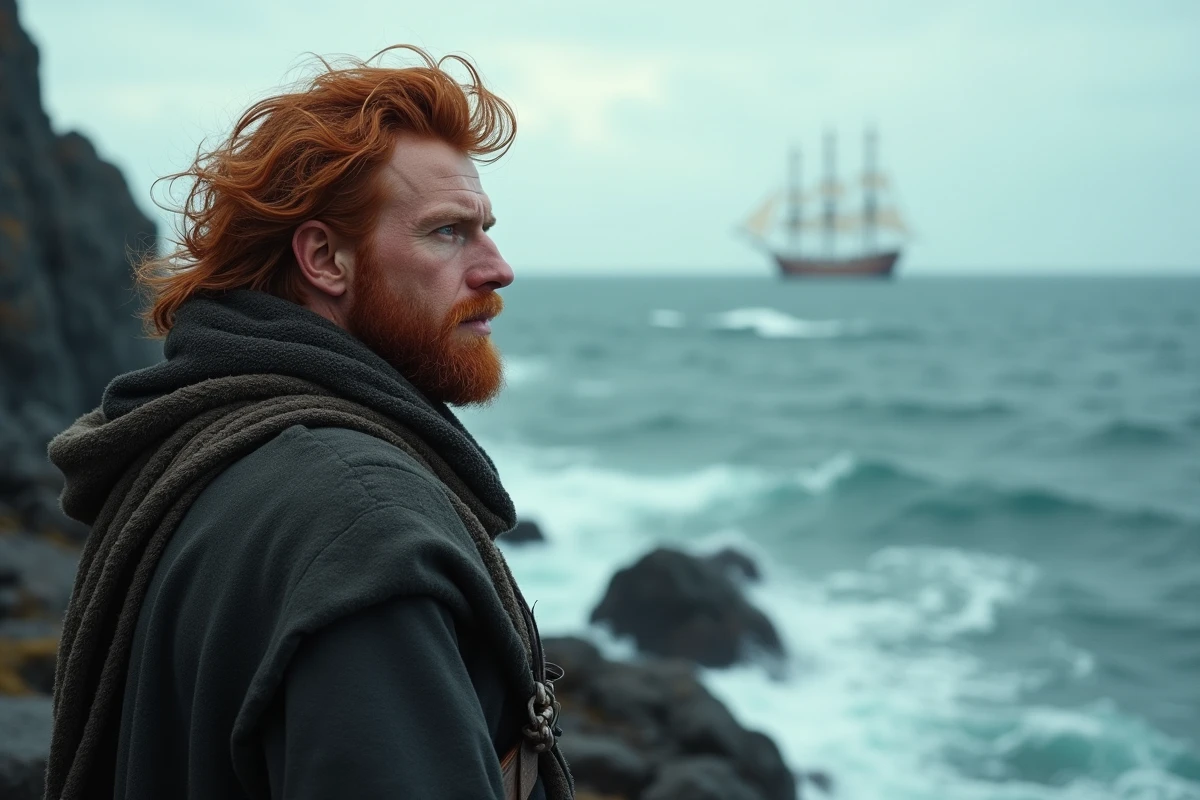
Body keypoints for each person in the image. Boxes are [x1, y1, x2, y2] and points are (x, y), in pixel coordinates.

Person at [45, 46, 572, 800]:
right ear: (325, 258)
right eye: (448, 232)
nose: (497, 267)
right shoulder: (366, 529)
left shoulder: (198, 447)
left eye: (485, 228)